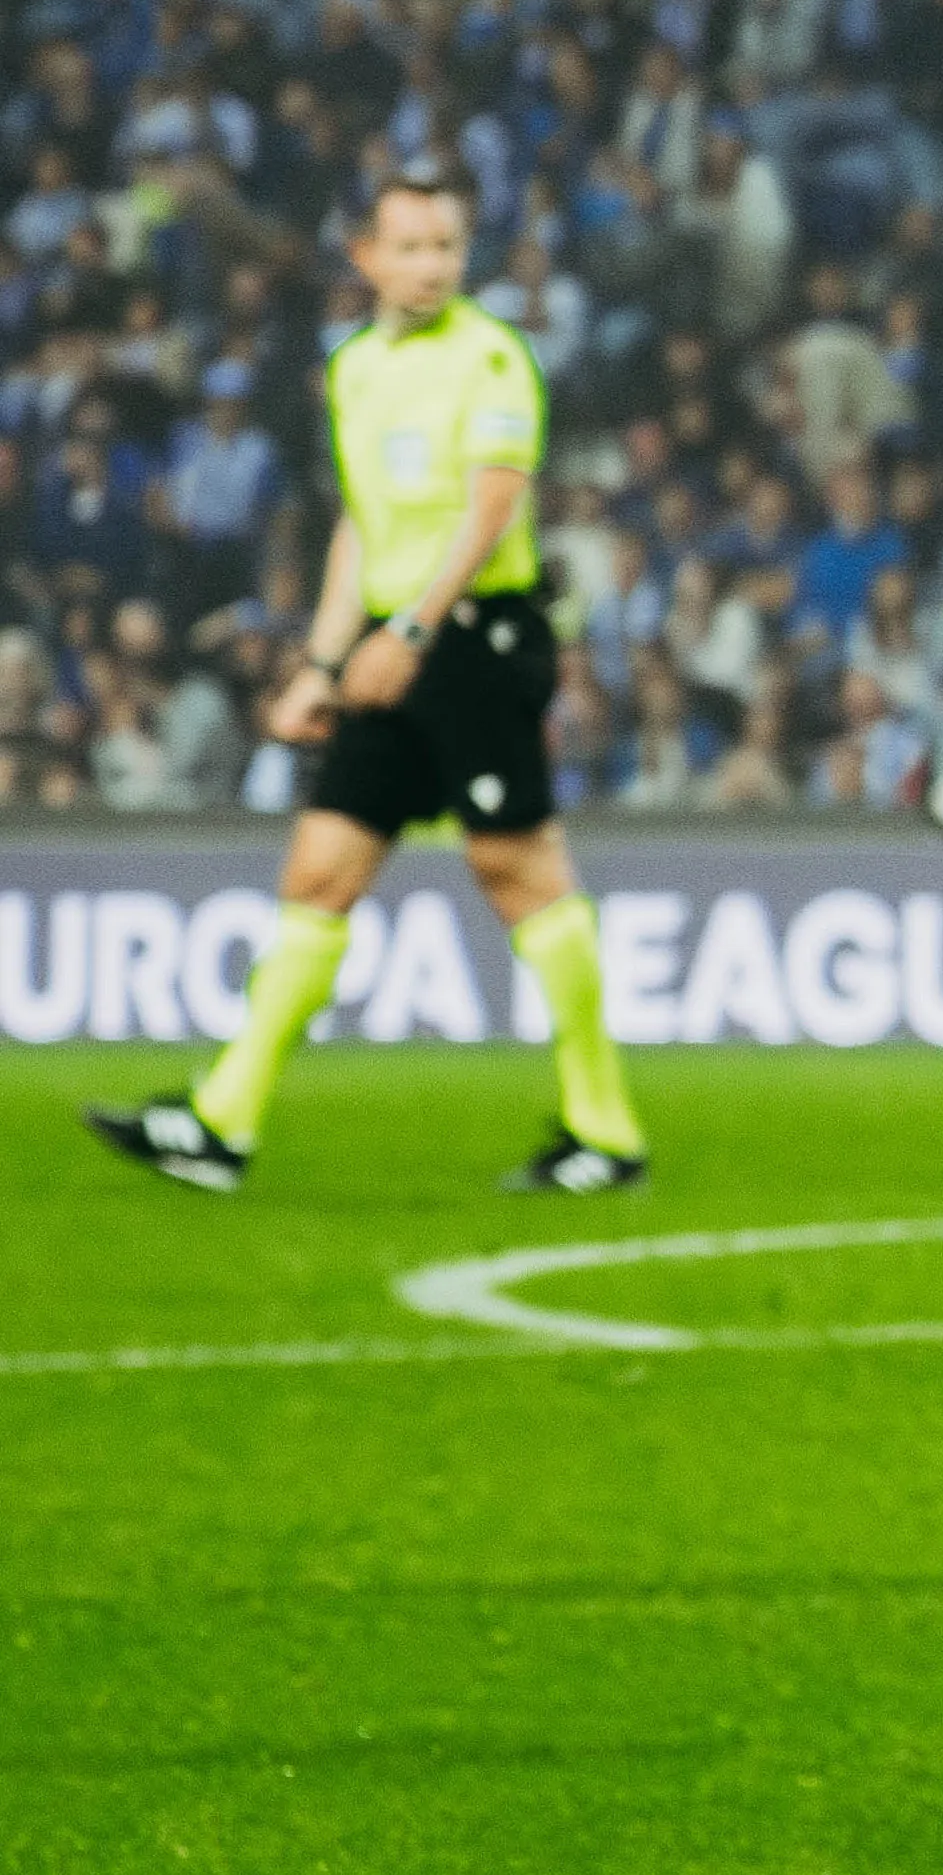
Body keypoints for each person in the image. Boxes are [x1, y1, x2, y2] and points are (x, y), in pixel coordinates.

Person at [83, 173, 650, 1197]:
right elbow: (363, 527)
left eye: (446, 245)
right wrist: (321, 665)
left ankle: (602, 1131)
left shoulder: (492, 356)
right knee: (318, 873)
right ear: (368, 258)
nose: (431, 264)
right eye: (411, 245)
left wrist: (416, 633)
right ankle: (221, 1124)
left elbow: (489, 514)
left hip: (475, 640)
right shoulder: (354, 369)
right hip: (392, 646)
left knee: (520, 875)